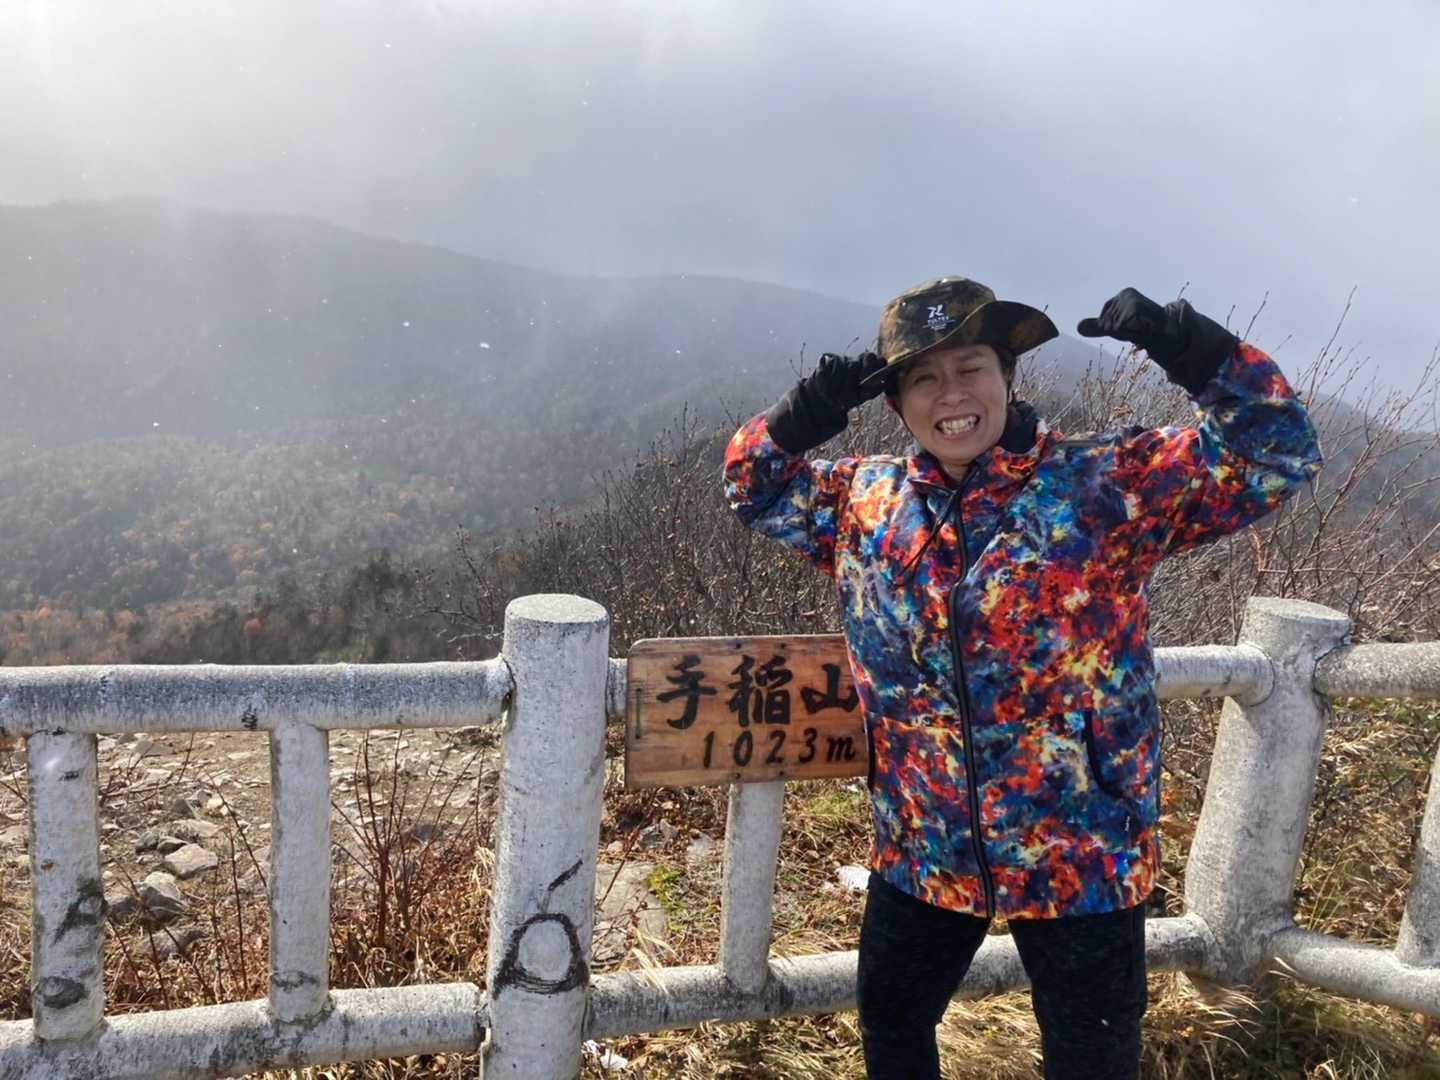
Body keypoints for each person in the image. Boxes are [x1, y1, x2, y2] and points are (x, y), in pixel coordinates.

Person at [722, 278, 1322, 1080]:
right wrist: (813, 406)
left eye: (970, 368)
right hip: (924, 842)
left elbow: (1274, 449)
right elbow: (750, 481)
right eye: (924, 378)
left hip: (1081, 846)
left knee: (1091, 1054)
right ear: (896, 403)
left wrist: (1189, 344)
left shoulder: (1106, 484)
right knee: (893, 1023)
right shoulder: (863, 503)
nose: (952, 394)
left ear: (1009, 376)